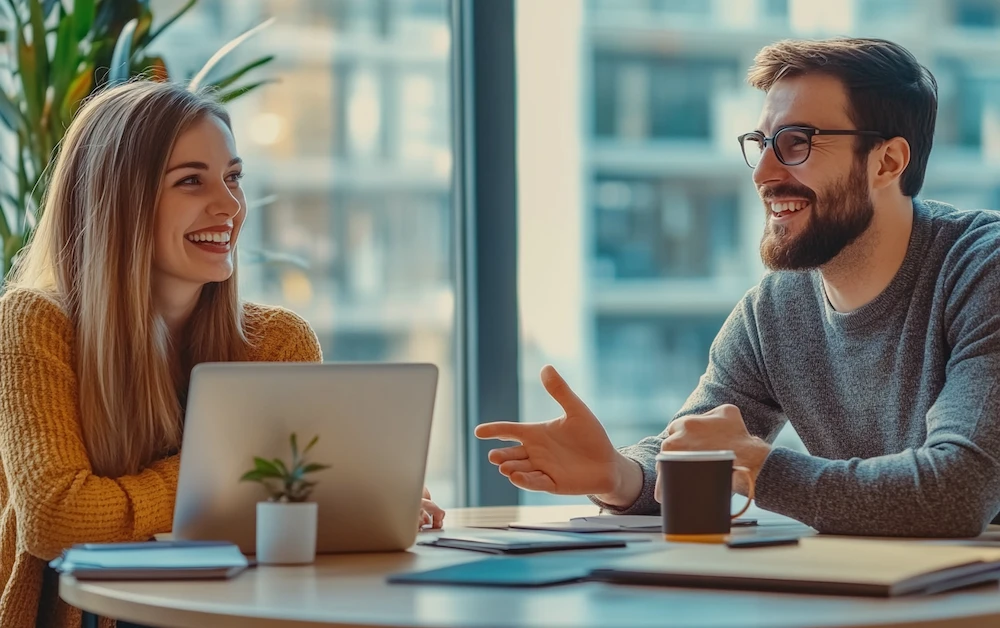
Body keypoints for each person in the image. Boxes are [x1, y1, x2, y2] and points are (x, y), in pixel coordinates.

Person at [477, 37, 1000, 539]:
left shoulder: (982, 270)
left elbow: (957, 491)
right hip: (881, 589)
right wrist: (615, 473)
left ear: (887, 162)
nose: (764, 174)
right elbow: (696, 448)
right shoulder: (775, 311)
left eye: (797, 143)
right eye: (761, 144)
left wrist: (757, 466)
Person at [0, 80, 444, 628]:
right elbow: (56, 517)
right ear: (118, 202)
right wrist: (237, 479)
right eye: (191, 181)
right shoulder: (34, 324)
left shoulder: (279, 341)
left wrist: (361, 494)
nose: (229, 206)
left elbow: (298, 513)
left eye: (234, 178)